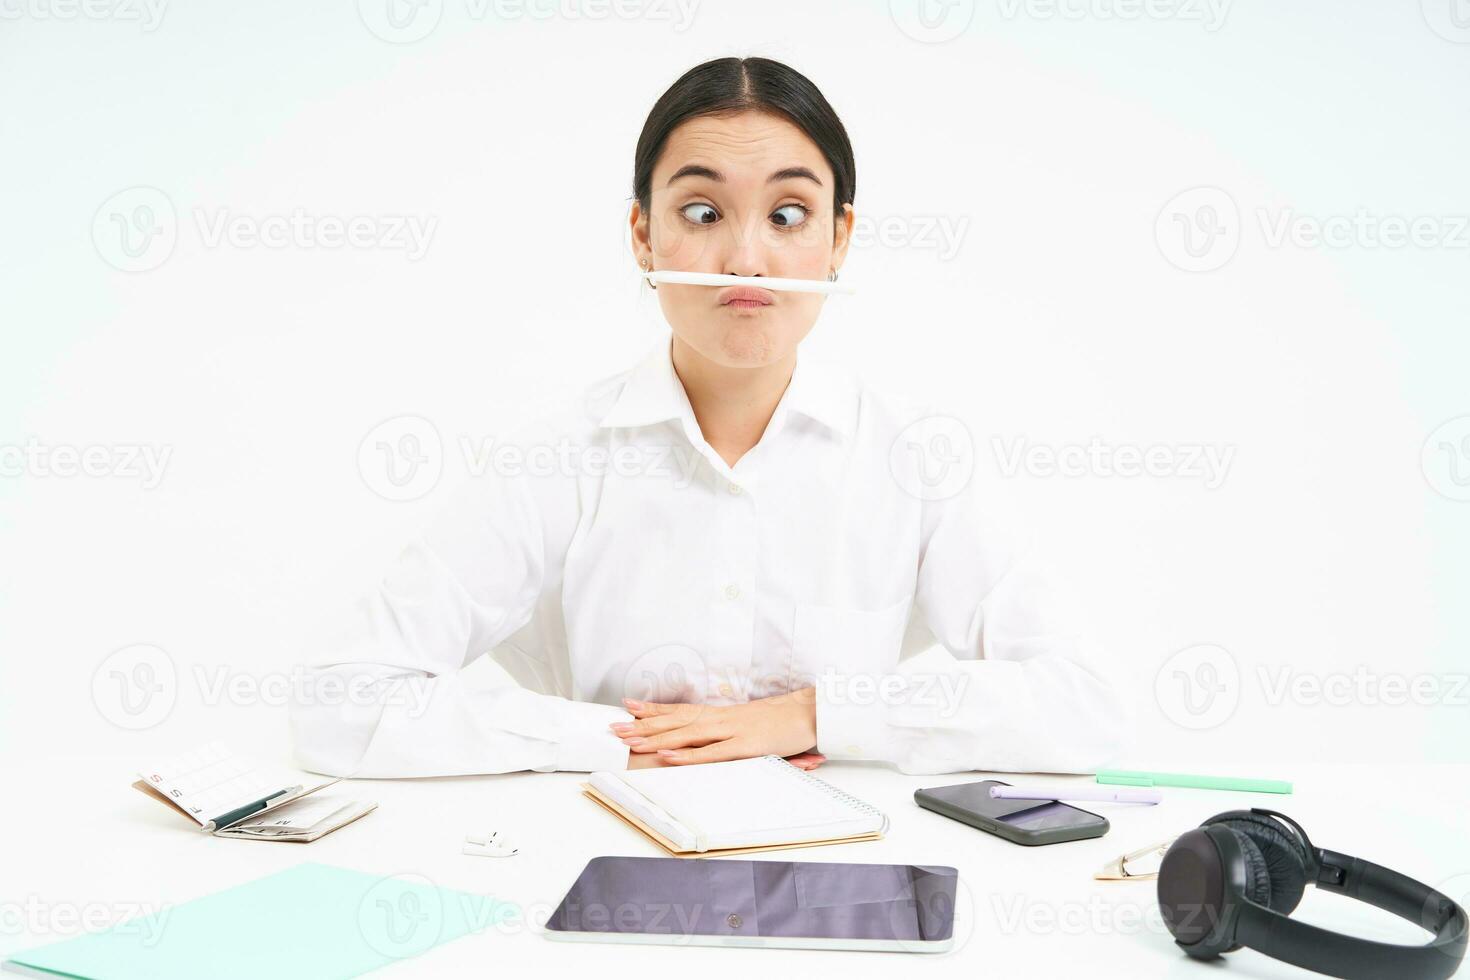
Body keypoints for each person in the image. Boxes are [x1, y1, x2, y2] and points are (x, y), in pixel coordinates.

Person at [289, 56, 1129, 778]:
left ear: (839, 241)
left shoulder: (915, 456)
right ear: (643, 237)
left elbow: (1085, 702)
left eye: (788, 215)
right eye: (701, 213)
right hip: (601, 856)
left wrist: (816, 715)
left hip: (843, 874)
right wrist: (616, 739)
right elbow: (338, 700)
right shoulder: (557, 457)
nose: (746, 259)